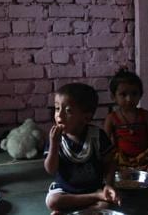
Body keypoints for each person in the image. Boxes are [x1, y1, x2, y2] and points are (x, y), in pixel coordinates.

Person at [45, 83, 120, 214]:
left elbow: (110, 163)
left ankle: (81, 208)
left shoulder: (97, 136)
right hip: (65, 190)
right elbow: (51, 170)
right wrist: (54, 145)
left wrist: (109, 184)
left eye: (68, 111)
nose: (59, 116)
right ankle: (93, 202)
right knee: (53, 201)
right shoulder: (56, 139)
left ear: (86, 117)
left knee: (105, 204)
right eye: (57, 108)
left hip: (93, 187)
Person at [104, 69, 148, 173]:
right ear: (113, 97)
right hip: (122, 159)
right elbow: (104, 143)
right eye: (123, 94)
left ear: (140, 95)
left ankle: (142, 170)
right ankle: (130, 171)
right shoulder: (111, 118)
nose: (129, 99)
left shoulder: (146, 115)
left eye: (134, 94)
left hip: (144, 158)